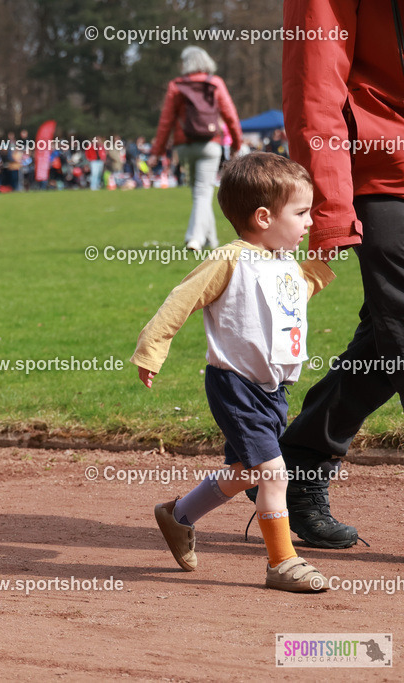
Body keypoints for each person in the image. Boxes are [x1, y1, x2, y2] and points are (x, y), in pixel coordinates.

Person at [133, 153, 334, 592]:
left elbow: (299, 292)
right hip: (235, 386)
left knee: (246, 469)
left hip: (272, 390)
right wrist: (151, 349)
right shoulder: (230, 260)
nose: (308, 223)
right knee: (273, 473)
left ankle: (178, 515)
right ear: (264, 217)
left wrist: (331, 252)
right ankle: (283, 563)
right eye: (301, 213)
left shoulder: (284, 262)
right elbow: (180, 300)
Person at [276, 0, 404, 549]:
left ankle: (299, 462)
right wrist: (329, 207)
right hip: (385, 174)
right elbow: (315, 83)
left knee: (386, 341)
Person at [150, 47, 243, 250]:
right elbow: (231, 116)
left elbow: (165, 122)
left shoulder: (176, 86)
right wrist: (237, 143)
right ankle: (196, 238)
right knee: (203, 191)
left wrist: (156, 152)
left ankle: (209, 239)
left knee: (199, 192)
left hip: (185, 146)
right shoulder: (215, 83)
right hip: (210, 144)